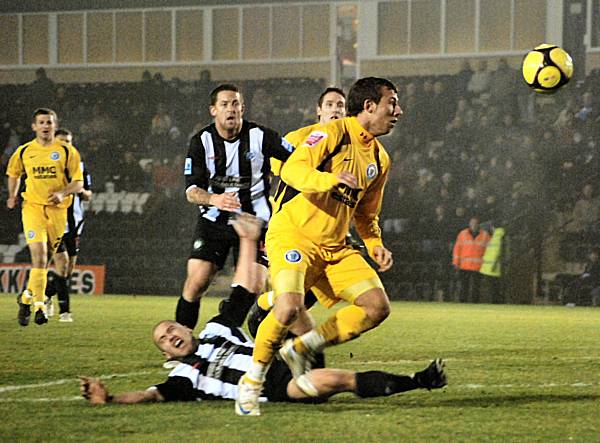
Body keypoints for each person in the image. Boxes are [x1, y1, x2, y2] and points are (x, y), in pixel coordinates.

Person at [80, 213, 447, 408]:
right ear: (165, 353)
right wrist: (111, 399)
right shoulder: (185, 378)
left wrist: (248, 240)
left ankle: (286, 315)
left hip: (281, 353)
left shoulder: (214, 331)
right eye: (164, 339)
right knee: (331, 381)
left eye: (171, 329)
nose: (172, 335)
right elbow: (151, 396)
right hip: (280, 385)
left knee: (286, 305)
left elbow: (241, 291)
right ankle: (419, 381)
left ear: (186, 329)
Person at [236, 77, 401, 416]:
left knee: (376, 307)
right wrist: (329, 179)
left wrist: (374, 243)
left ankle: (303, 347)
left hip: (334, 247)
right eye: (392, 103)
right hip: (293, 235)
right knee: (287, 309)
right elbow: (294, 169)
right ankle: (251, 383)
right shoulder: (331, 134)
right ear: (369, 106)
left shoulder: (380, 159)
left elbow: (367, 213)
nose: (398, 110)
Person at [175, 84, 294, 329]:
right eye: (225, 104)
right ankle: (182, 348)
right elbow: (191, 191)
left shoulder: (261, 136)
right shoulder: (201, 141)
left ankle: (223, 328)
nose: (231, 109)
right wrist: (213, 199)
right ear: (213, 110)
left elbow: (298, 160)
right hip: (214, 221)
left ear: (243, 108)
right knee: (196, 282)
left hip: (255, 222)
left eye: (235, 104)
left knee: (253, 285)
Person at [248, 87, 348, 336]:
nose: (335, 110)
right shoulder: (298, 138)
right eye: (330, 105)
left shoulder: (349, 146)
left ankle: (270, 306)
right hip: (292, 224)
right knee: (293, 288)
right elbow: (283, 173)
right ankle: (270, 313)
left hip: (324, 228)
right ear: (318, 110)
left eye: (340, 105)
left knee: (325, 285)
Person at [6, 108, 84, 326]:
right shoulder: (24, 151)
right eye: (41, 122)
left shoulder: (68, 152)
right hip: (32, 208)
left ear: (54, 125)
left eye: (49, 122)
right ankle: (40, 306)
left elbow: (78, 183)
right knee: (39, 257)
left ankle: (25, 298)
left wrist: (62, 192)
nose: (45, 126)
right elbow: (13, 173)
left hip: (58, 213)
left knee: (46, 259)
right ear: (34, 126)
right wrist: (12, 195)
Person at [44, 128, 93, 322]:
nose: (66, 145)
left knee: (68, 270)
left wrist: (80, 191)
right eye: (62, 141)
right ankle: (65, 312)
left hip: (75, 224)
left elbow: (89, 194)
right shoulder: (46, 165)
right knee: (62, 265)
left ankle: (46, 296)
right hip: (55, 222)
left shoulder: (79, 165)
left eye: (69, 141)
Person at [452, 216, 491, 303]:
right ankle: (462, 302)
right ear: (469, 224)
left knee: (476, 287)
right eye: (472, 223)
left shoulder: (485, 235)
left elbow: (489, 251)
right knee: (464, 286)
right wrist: (456, 263)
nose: (474, 225)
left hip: (478, 267)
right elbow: (457, 249)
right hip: (465, 266)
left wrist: (486, 265)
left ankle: (475, 303)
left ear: (478, 224)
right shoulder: (462, 234)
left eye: (475, 223)